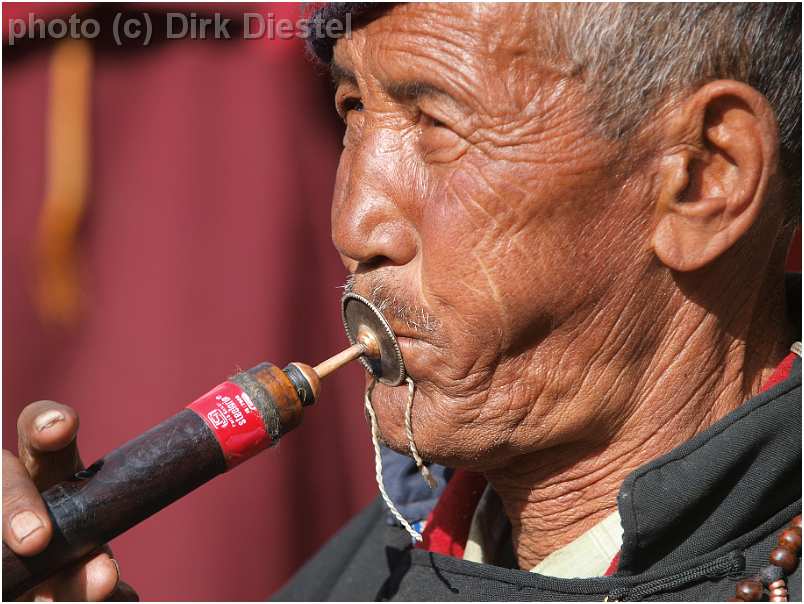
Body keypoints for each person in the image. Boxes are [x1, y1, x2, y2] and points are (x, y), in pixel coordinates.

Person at [4, 3, 801, 601]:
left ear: (702, 178)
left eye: (437, 123)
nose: (353, 224)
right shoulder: (369, 567)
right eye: (351, 109)